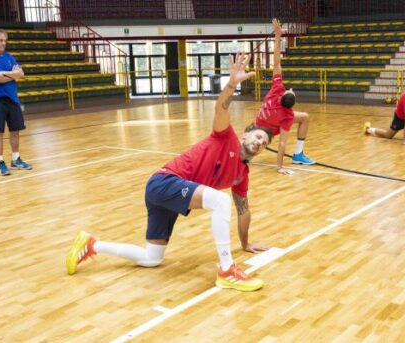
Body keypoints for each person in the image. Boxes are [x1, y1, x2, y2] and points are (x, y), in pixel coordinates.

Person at [66, 52, 272, 292]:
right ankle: (227, 269)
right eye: (258, 136)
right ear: (246, 135)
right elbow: (220, 107)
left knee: (152, 258)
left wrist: (245, 243)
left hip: (169, 196)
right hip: (164, 182)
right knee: (219, 200)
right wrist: (232, 84)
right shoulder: (225, 137)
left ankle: (91, 244)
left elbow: (243, 210)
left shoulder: (242, 175)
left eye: (265, 143)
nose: (260, 143)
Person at [248, 18, 315, 175]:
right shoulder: (288, 115)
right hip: (265, 132)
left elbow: (276, 62)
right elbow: (282, 143)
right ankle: (297, 154)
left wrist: (278, 36)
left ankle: (297, 155)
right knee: (305, 117)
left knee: (304, 117)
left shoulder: (276, 90)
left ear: (284, 94)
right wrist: (279, 167)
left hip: (257, 124)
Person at [0, 28, 31, 176]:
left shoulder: (9, 57)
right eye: (1, 40)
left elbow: (21, 73)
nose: (4, 43)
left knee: (15, 131)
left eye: (5, 40)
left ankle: (16, 159)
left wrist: (5, 73)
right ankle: (0, 162)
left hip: (13, 99)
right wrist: (13, 75)